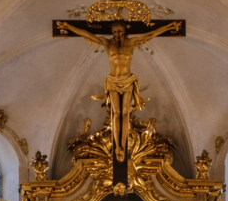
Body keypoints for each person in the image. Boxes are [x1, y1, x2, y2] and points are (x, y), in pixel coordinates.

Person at [58, 19, 182, 161]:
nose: (117, 34)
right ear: (112, 32)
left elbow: (150, 34)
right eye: (115, 31)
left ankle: (123, 144)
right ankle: (118, 146)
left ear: (125, 31)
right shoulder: (107, 43)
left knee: (125, 113)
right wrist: (68, 26)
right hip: (113, 81)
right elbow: (87, 34)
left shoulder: (132, 42)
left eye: (120, 31)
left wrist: (168, 26)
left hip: (128, 80)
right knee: (116, 114)